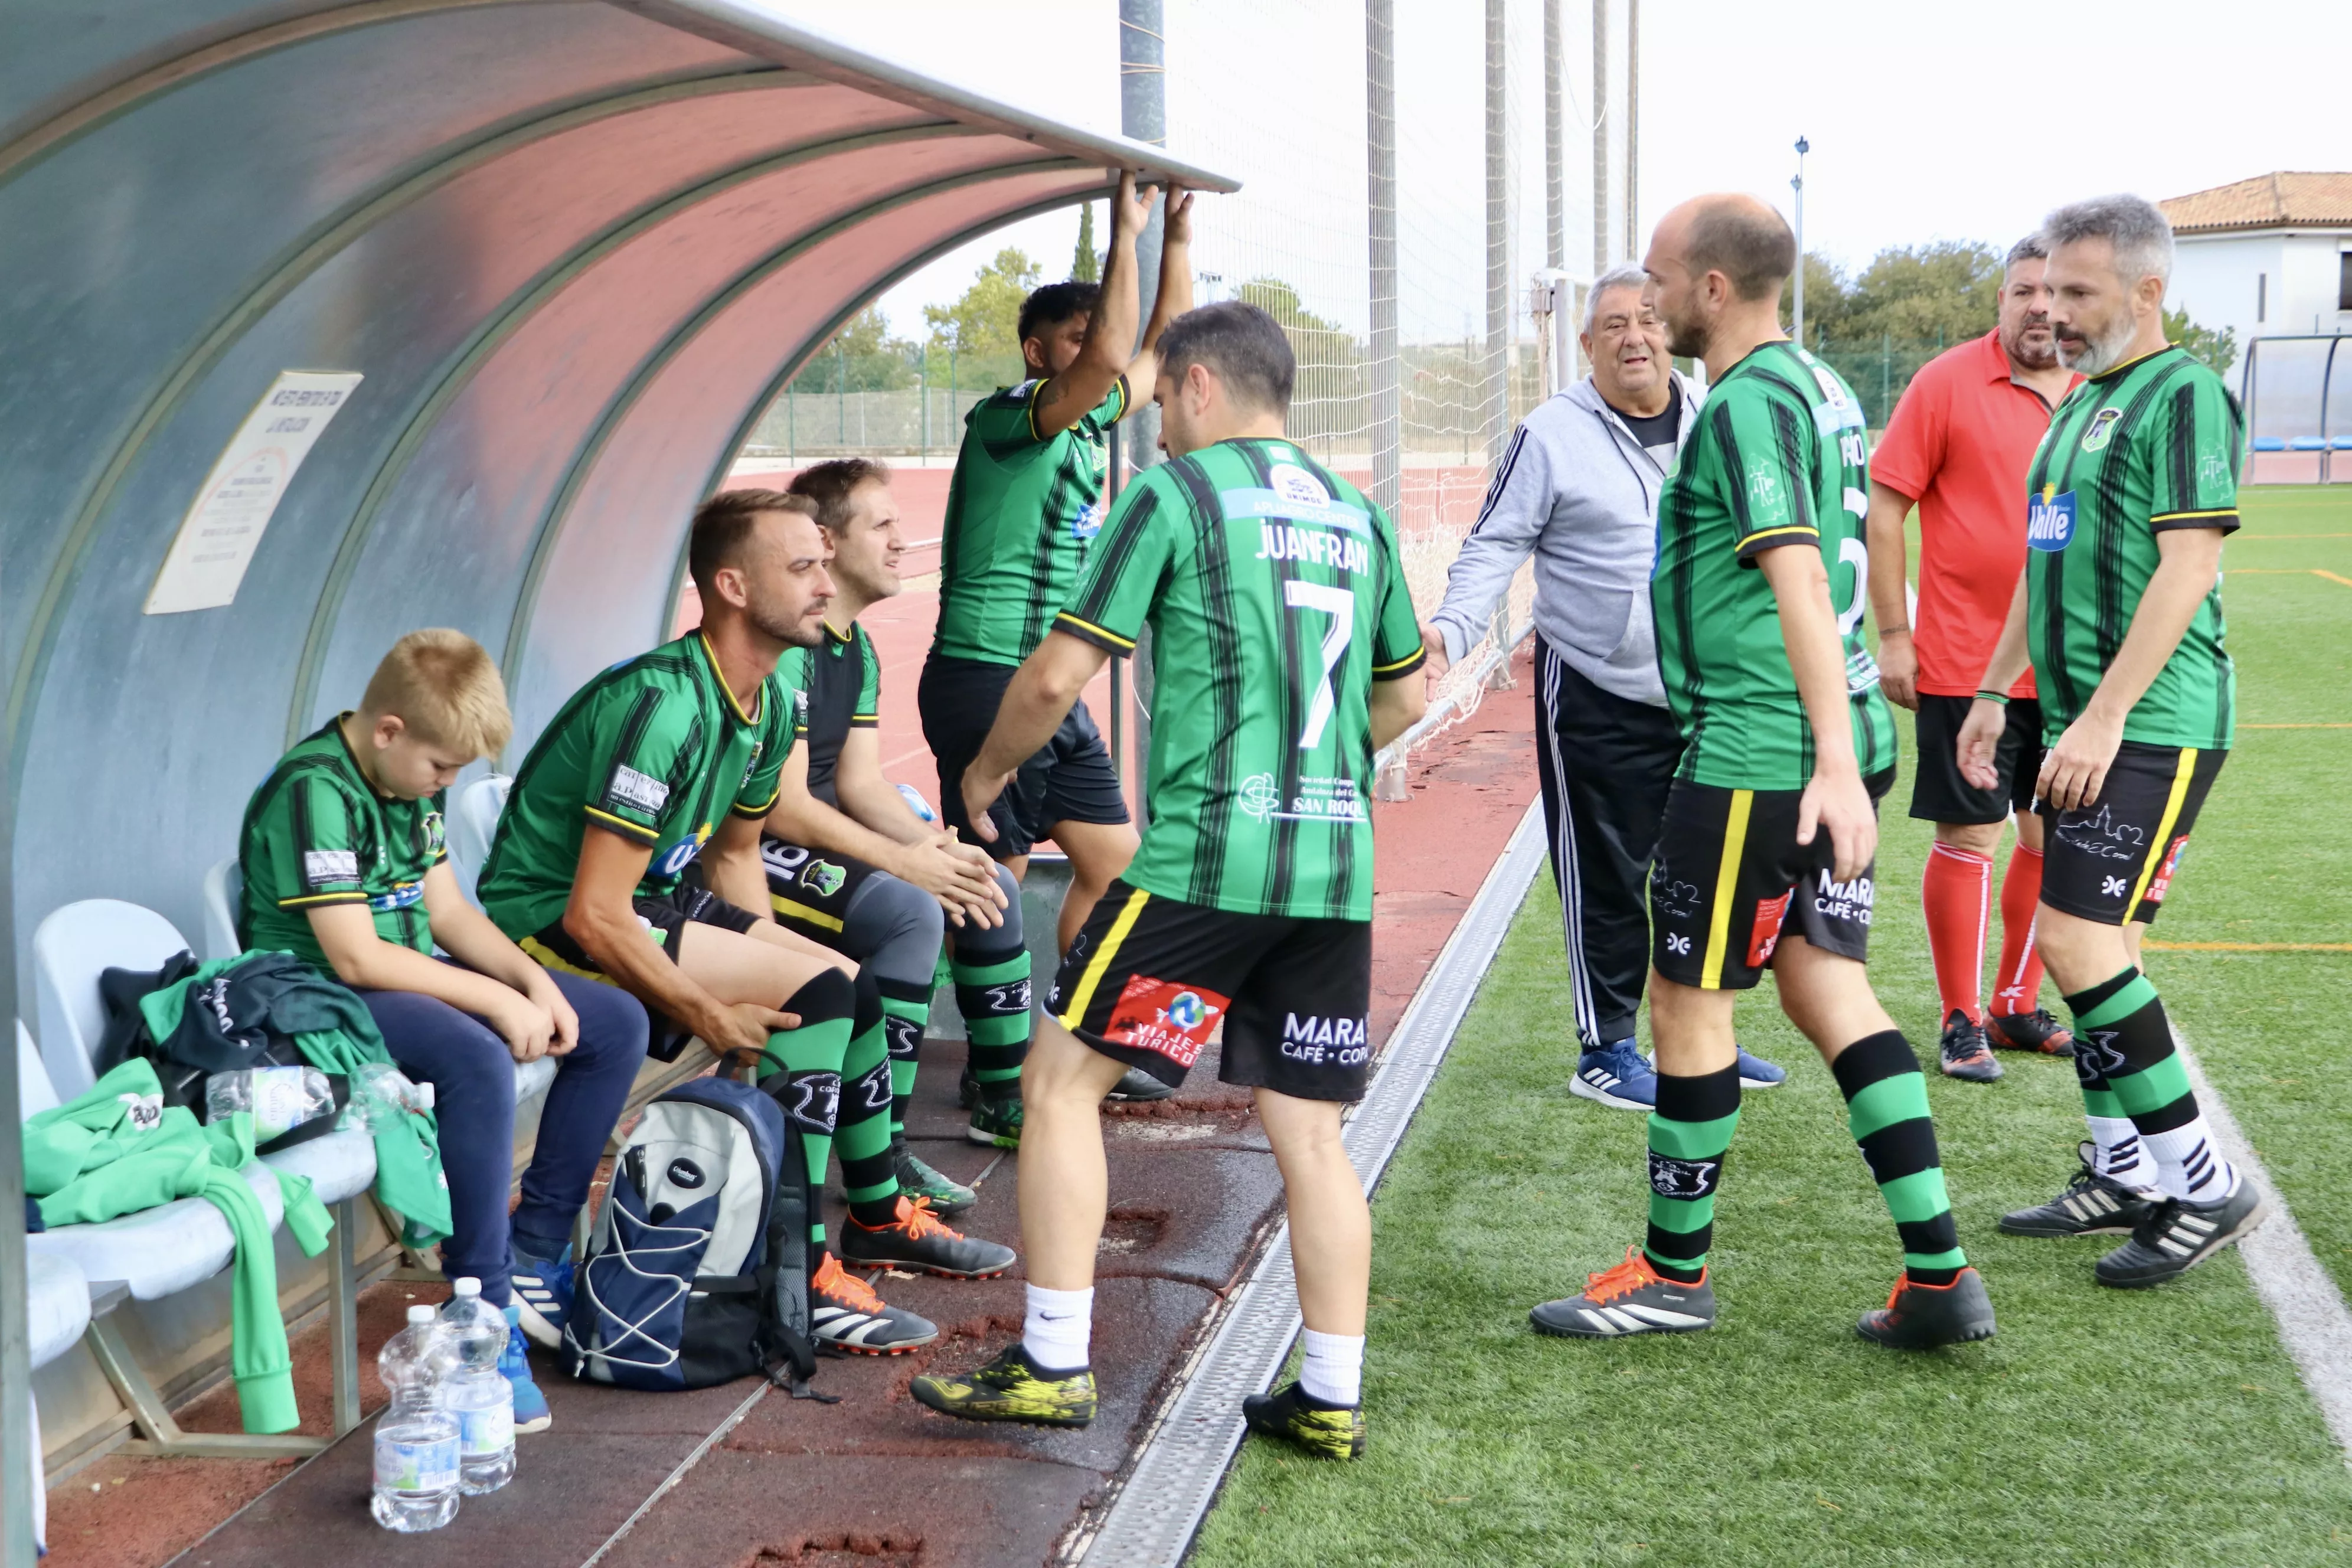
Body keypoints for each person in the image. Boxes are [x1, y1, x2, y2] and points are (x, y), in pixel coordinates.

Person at [908, 301, 1427, 1459]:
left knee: (1056, 1084)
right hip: (1331, 874)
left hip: (1203, 867)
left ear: (1195, 385)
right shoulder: (1356, 513)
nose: (1154, 424)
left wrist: (985, 773)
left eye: (1162, 400)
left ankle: (1050, 1360)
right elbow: (1403, 692)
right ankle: (1331, 1391)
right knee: (1309, 1129)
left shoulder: (1177, 497)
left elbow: (1054, 674)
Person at [1528, 195, 1995, 1350]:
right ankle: (1939, 1273)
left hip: (1763, 754)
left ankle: (1672, 1275)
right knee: (1828, 990)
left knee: (1687, 1003)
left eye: (1658, 279)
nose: (1645, 300)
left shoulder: (1743, 402)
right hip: (1818, 752)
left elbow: (1793, 572)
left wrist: (1829, 760)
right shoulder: (1826, 387)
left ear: (1712, 288)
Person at [475, 490, 945, 1355]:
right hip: (541, 922)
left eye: (821, 564)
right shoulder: (665, 706)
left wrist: (784, 977)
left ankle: (874, 1218)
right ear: (731, 586)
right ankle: (793, 1276)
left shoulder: (767, 703)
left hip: (652, 900)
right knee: (820, 999)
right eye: (801, 567)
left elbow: (733, 861)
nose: (822, 583)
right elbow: (593, 911)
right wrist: (709, 1011)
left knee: (850, 990)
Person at [1957, 194, 2268, 1283]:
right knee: (2100, 945)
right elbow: (2040, 569)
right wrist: (1999, 691)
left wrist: (2102, 715)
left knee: (2079, 945)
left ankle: (2203, 1181)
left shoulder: (2180, 395)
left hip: (2152, 721)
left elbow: (2186, 569)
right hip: (2073, 712)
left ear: (2148, 290)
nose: (2055, 312)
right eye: (2043, 291)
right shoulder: (2079, 408)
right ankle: (2120, 1164)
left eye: (2079, 292)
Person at [239, 629, 652, 1432]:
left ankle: (533, 1252)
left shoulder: (410, 776)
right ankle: (481, 1315)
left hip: (401, 980)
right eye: (440, 769)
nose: (445, 785)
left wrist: (533, 982)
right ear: (387, 730)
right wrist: (496, 1004)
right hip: (315, 1003)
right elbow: (357, 959)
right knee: (476, 1058)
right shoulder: (314, 788)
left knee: (612, 1021)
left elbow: (449, 911)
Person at [1422, 262, 1783, 1111]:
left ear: (1675, 332)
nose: (1634, 337)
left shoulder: (1717, 416)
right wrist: (1451, 633)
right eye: (1613, 324)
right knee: (1607, 874)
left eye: (1649, 320)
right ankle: (1606, 1048)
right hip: (1595, 686)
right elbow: (1493, 542)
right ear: (1586, 344)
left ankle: (1701, 1037)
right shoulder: (1549, 434)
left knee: (1701, 871)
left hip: (1709, 696)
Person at [918, 172, 1195, 1138]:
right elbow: (1122, 352)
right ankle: (997, 1083)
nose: (1096, 361)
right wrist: (1126, 230)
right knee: (987, 882)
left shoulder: (1088, 431)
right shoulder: (1012, 419)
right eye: (1074, 344)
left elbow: (1158, 355)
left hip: (1046, 688)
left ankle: (1084, 1044)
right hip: (986, 680)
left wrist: (1180, 237)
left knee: (1115, 874)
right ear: (1040, 354)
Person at [746, 459, 1019, 1278]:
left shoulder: (854, 645)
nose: (903, 540)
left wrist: (937, 852)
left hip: (820, 837)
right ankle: (885, 1156)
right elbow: (786, 807)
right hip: (759, 847)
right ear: (827, 543)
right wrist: (908, 865)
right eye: (883, 525)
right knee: (910, 908)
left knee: (987, 880)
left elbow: (860, 782)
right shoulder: (792, 647)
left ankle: (1002, 1100)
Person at [1867, 236, 2082, 1083]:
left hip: (2071, 669)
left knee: (2050, 837)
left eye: (2055, 291)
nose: (2040, 306)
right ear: (2000, 300)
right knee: (1972, 834)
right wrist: (1894, 634)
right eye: (2023, 290)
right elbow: (1886, 512)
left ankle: (2016, 1000)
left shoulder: (2098, 390)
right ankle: (1962, 1018)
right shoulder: (1947, 382)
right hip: (1965, 661)